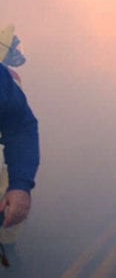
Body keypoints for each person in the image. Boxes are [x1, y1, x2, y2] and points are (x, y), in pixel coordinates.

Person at [0, 28, 36, 264]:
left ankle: (8, 247)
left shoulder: (6, 77)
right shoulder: (10, 77)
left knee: (7, 196)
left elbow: (20, 124)